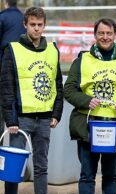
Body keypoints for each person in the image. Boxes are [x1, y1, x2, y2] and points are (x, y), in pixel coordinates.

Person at [64, 18, 116, 194]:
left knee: (110, 175)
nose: (105, 37)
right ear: (95, 35)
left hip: (114, 127)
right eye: (101, 33)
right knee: (86, 175)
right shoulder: (82, 60)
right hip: (87, 126)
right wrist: (85, 101)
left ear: (115, 35)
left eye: (109, 33)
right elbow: (68, 90)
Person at [0, 6, 63, 194]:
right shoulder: (12, 50)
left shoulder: (52, 50)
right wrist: (10, 119)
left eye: (40, 25)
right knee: (14, 167)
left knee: (41, 167)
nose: (36, 28)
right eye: (32, 24)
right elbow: (6, 87)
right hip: (20, 120)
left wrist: (57, 113)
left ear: (44, 26)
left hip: (44, 119)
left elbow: (57, 83)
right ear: (25, 25)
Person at [0, 0, 26, 141]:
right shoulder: (24, 18)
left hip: (4, 73)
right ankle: (16, 154)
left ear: (5, 2)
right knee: (18, 115)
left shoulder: (2, 17)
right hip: (21, 73)